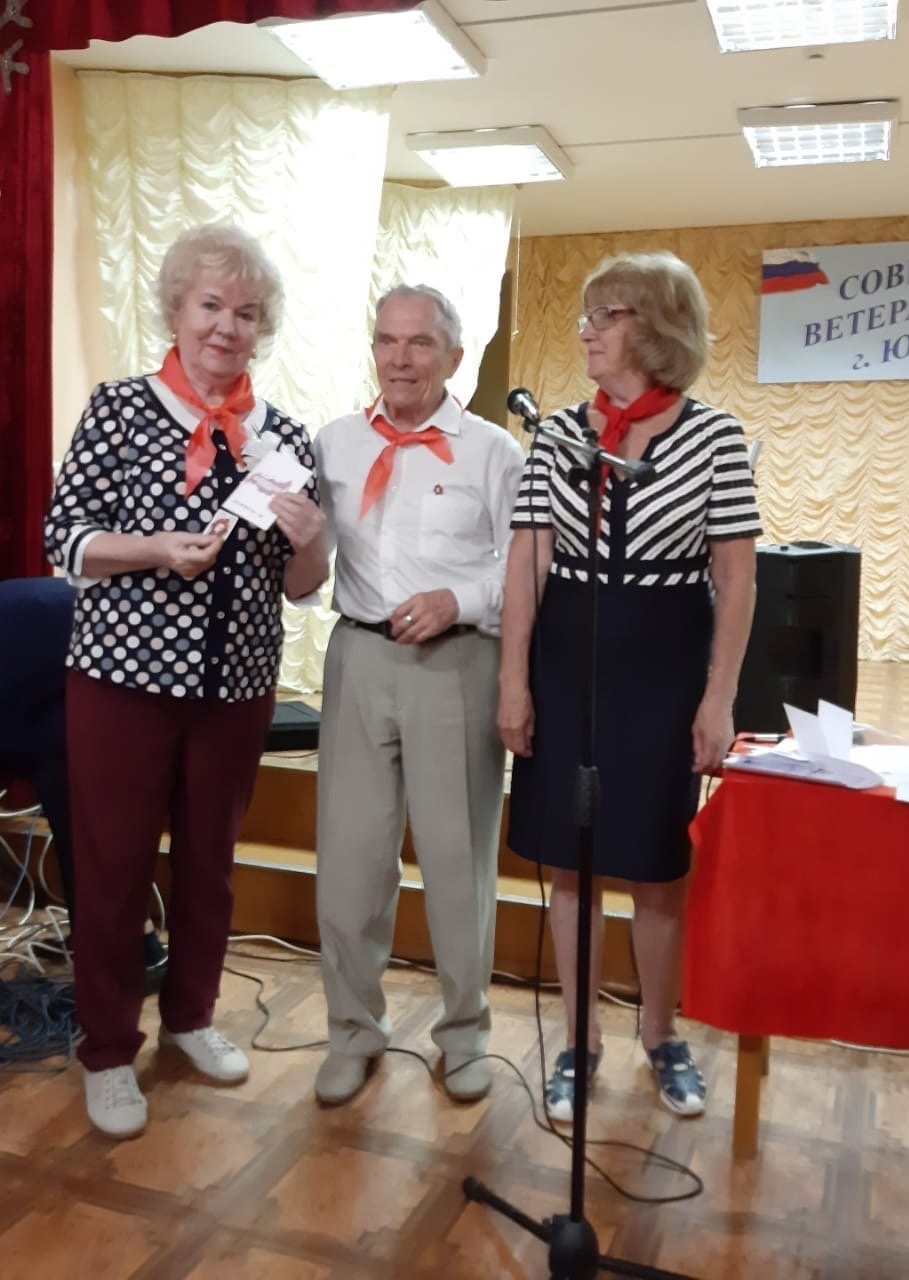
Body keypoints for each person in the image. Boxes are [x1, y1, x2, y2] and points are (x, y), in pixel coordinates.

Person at [44, 223, 327, 1139]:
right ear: (176, 309)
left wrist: (313, 539)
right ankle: (106, 1050)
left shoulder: (283, 437)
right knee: (114, 867)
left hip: (236, 690)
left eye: (246, 313)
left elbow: (302, 585)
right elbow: (64, 541)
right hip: (121, 683)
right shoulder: (121, 410)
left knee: (212, 863)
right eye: (210, 305)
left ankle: (192, 1018)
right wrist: (156, 550)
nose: (226, 327)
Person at [498, 251, 761, 1121]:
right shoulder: (557, 434)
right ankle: (580, 1042)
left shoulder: (715, 438)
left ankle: (659, 1033)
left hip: (664, 665)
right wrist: (513, 681)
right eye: (587, 315)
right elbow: (527, 561)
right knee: (571, 865)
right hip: (567, 660)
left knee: (654, 863)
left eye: (605, 315)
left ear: (658, 327)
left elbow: (736, 579)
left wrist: (718, 699)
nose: (586, 331)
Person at [313, 284, 524, 1105]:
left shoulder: (494, 453)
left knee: (457, 864)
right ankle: (352, 1033)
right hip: (358, 658)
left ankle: (464, 1036)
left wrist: (458, 600)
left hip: (457, 664)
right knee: (349, 863)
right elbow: (307, 566)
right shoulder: (334, 444)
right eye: (386, 341)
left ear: (455, 357)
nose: (400, 359)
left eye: (420, 343)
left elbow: (526, 572)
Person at [0, 577, 167, 986]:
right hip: (51, 664)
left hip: (88, 662)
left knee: (84, 820)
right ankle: (109, 942)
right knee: (78, 810)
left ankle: (136, 953)